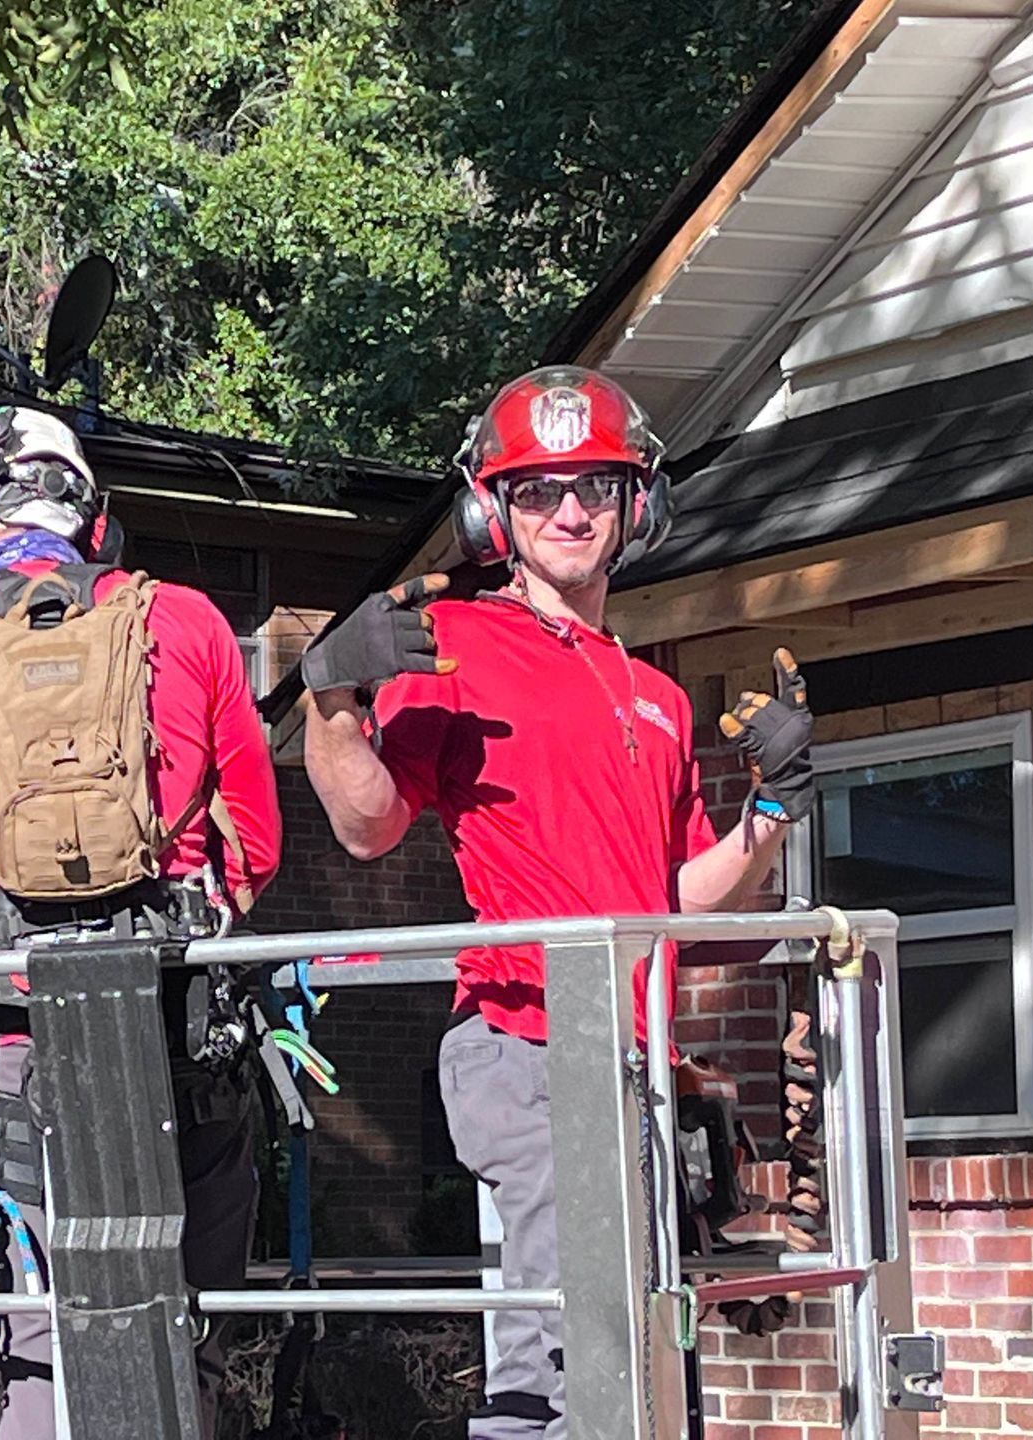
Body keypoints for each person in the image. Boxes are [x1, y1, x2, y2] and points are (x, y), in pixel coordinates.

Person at [298, 366, 815, 1440]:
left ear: (640, 506)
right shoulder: (460, 644)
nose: (569, 512)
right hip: (526, 1039)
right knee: (572, 1364)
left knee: (643, 1358)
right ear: (492, 511)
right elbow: (366, 824)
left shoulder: (660, 694)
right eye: (535, 491)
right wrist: (333, 696)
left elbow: (680, 901)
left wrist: (771, 809)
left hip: (637, 1058)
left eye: (595, 486)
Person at [0, 405, 283, 1440]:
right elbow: (256, 846)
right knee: (186, 1338)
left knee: (39, 1345)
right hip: (183, 1034)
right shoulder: (191, 624)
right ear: (92, 517)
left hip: (6, 1042)